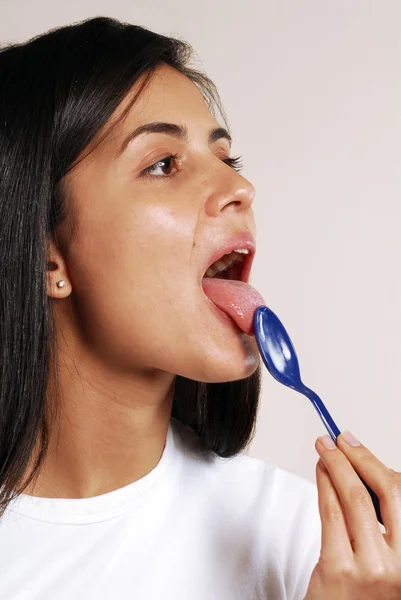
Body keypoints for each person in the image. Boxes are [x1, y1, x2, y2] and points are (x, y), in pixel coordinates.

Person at [0, 15, 400, 600]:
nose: (242, 189)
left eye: (227, 161)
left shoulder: (313, 548)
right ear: (48, 258)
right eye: (162, 165)